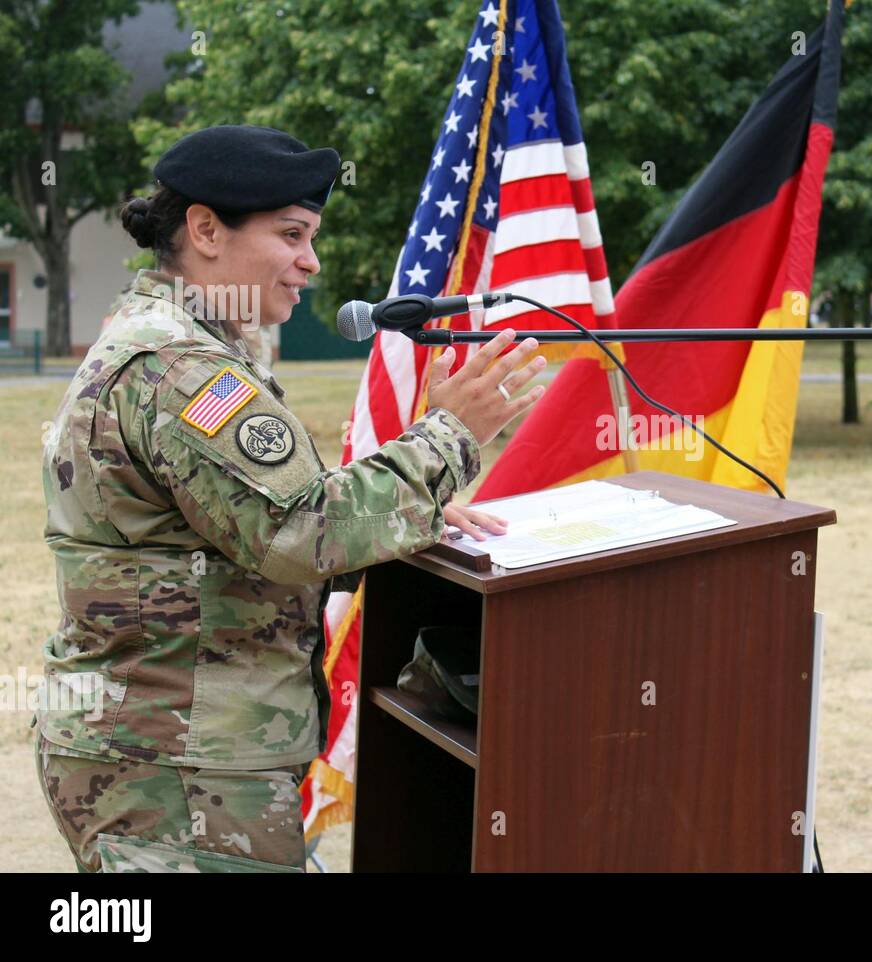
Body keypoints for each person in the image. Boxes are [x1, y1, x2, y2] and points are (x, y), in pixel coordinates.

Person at [33, 124, 546, 872]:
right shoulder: (182, 368)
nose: (311, 261)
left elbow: (233, 535)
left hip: (170, 756)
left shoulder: (169, 340)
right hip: (176, 773)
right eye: (292, 234)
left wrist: (411, 512)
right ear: (205, 229)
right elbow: (299, 532)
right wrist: (451, 436)